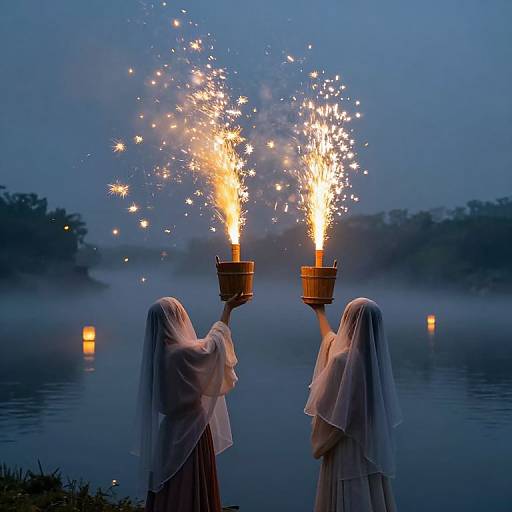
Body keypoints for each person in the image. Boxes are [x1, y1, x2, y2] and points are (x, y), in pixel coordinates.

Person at [132, 293, 246, 512]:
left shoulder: (157, 358)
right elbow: (213, 347)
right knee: (192, 484)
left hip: (169, 433)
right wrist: (227, 309)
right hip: (193, 431)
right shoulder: (181, 354)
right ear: (175, 320)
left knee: (171, 487)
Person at [305, 298, 402, 512]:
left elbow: (327, 416)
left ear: (349, 321)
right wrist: (320, 313)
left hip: (343, 452)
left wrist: (319, 438)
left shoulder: (342, 363)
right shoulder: (374, 365)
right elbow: (332, 342)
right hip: (368, 449)